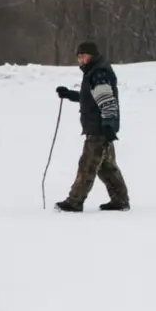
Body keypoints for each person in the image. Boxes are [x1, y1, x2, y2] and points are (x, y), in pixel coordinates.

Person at [53, 41, 130, 212]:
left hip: (99, 129)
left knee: (87, 165)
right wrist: (70, 95)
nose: (81, 59)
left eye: (84, 56)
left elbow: (107, 102)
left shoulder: (98, 73)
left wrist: (108, 125)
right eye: (79, 56)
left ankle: (74, 201)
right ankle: (120, 200)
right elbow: (91, 98)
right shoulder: (93, 72)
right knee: (106, 167)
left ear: (92, 56)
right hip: (100, 127)